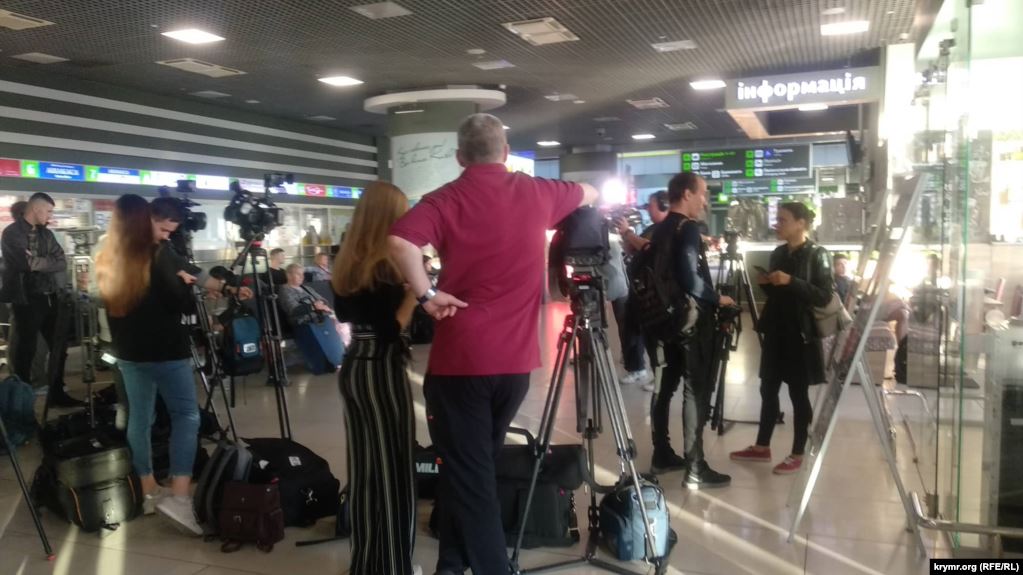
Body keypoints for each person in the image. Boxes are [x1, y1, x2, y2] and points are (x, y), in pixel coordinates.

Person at [389, 112, 598, 575]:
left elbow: (401, 242)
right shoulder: (538, 192)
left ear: (460, 157)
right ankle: (451, 563)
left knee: (471, 475)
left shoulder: (446, 198)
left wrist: (426, 295)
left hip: (461, 363)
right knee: (471, 466)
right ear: (505, 152)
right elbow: (590, 192)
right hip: (515, 366)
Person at [96, 194, 249, 533]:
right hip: (166, 351)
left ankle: (148, 488)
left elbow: (183, 279)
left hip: (128, 353)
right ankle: (179, 494)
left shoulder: (108, 255)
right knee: (186, 416)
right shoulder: (159, 255)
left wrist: (208, 286)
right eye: (162, 228)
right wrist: (193, 291)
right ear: (142, 220)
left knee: (140, 417)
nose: (167, 235)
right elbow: (179, 303)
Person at [332, 181, 419, 575]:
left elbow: (346, 315)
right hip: (381, 368)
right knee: (395, 471)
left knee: (365, 470)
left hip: (354, 365)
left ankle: (367, 563)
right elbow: (390, 328)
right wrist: (413, 295)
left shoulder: (348, 259)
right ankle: (396, 566)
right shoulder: (385, 264)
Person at [729, 202, 834, 475]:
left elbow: (824, 296)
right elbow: (778, 295)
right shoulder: (778, 253)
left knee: (798, 393)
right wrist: (767, 284)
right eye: (777, 219)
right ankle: (762, 446)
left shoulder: (818, 255)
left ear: (801, 223)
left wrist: (791, 281)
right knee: (768, 387)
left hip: (801, 334)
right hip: (776, 329)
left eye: (783, 219)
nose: (777, 224)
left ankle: (798, 452)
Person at [649, 173, 735, 486]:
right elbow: (689, 278)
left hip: (663, 321)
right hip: (689, 322)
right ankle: (695, 466)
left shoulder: (660, 228)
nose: (705, 201)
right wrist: (717, 298)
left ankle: (661, 453)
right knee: (694, 390)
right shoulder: (687, 228)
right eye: (703, 194)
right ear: (687, 194)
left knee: (665, 388)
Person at [0, 193, 84, 407]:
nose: (50, 216)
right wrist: (45, 262)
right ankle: (23, 402)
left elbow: (61, 261)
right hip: (25, 299)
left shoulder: (46, 233)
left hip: (50, 296)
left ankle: (56, 392)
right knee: (25, 351)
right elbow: (24, 263)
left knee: (59, 347)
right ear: (36, 209)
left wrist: (37, 261)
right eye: (48, 211)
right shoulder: (12, 233)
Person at [616, 190, 669, 392]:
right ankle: (636, 368)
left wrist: (628, 233)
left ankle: (660, 376)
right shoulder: (651, 228)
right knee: (631, 328)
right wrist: (626, 238)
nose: (648, 208)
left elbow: (648, 248)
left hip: (654, 292)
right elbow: (634, 249)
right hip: (639, 288)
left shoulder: (666, 229)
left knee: (654, 335)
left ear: (664, 205)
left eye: (651, 205)